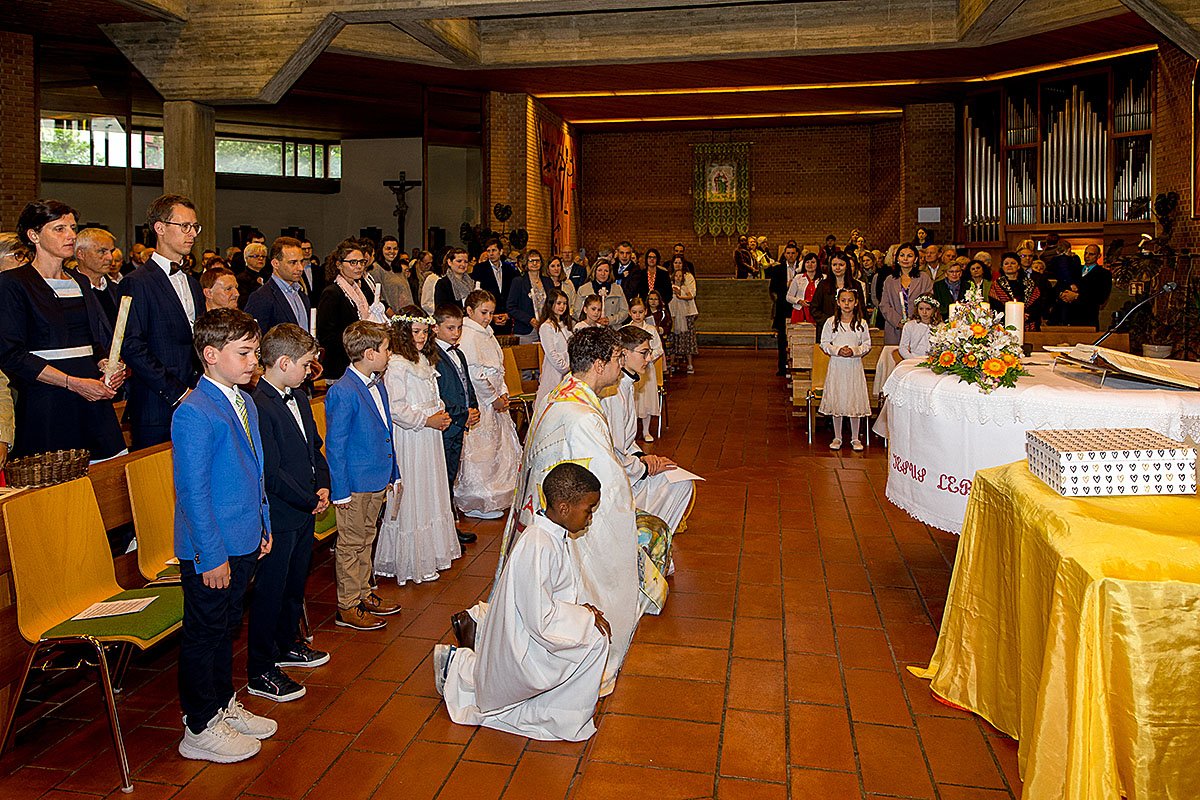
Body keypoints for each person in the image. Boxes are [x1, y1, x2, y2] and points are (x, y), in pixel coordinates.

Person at [493, 327, 653, 696]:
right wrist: (626, 512)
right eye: (617, 359)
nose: (621, 366)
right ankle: (577, 666)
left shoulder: (559, 394)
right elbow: (605, 485)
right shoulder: (582, 416)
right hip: (565, 518)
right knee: (578, 588)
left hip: (543, 507)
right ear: (599, 365)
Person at [435, 462, 610, 741]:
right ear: (564, 508)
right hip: (525, 642)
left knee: (592, 633)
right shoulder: (540, 544)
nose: (590, 517)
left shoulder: (551, 535)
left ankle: (559, 707)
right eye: (589, 510)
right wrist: (584, 619)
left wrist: (581, 612)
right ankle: (557, 713)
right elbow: (540, 619)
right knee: (595, 640)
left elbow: (548, 600)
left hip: (529, 631)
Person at [172, 308, 275, 763]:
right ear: (211, 355)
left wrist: (263, 523)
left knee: (227, 627)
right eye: (245, 353)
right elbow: (192, 493)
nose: (255, 361)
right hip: (211, 548)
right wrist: (210, 555)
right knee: (205, 632)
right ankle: (199, 724)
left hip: (244, 536)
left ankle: (221, 704)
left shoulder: (244, 400)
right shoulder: (194, 411)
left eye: (256, 352)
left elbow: (256, 470)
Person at [0, 202, 126, 463]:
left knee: (106, 478)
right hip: (47, 402)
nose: (70, 235)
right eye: (59, 229)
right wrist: (73, 383)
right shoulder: (13, 283)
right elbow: (12, 354)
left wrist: (107, 364)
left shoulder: (80, 281)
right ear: (34, 235)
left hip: (92, 399)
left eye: (72, 228)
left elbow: (92, 342)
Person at [247, 324, 331, 703]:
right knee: (271, 591)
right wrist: (307, 499)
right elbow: (271, 472)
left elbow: (314, 447)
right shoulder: (260, 405)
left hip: (304, 508)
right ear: (283, 363)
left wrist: (323, 484)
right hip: (281, 514)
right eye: (306, 364)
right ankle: (261, 667)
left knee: (295, 584)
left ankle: (286, 644)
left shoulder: (297, 395)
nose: (310, 371)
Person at [325, 321, 403, 631]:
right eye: (386, 349)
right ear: (370, 353)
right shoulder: (343, 391)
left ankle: (364, 592)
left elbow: (386, 432)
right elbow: (335, 445)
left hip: (376, 476)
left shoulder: (377, 384)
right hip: (354, 484)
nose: (389, 354)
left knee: (367, 538)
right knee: (351, 543)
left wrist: (394, 471)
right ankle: (347, 605)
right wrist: (340, 491)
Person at [375, 307, 460, 585]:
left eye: (424, 332)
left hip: (429, 435)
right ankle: (411, 561)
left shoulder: (423, 359)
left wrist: (440, 411)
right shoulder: (397, 364)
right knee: (414, 493)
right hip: (411, 437)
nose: (421, 337)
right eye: (415, 332)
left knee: (431, 489)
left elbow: (431, 395)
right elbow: (396, 408)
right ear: (403, 333)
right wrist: (426, 420)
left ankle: (432, 553)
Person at [121, 194, 206, 450]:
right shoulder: (137, 281)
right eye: (184, 226)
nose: (192, 234)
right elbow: (132, 346)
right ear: (160, 228)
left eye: (195, 227)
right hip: (156, 404)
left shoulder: (192, 282)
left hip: (197, 396)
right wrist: (177, 391)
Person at [603, 324, 694, 534]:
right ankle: (641, 536)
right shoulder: (613, 393)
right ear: (624, 354)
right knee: (677, 482)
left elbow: (627, 442)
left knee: (681, 481)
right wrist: (644, 466)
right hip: (618, 478)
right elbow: (615, 452)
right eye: (644, 353)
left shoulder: (627, 385)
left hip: (630, 467)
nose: (649, 358)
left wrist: (645, 457)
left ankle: (652, 536)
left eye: (649, 352)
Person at [454, 291, 521, 520]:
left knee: (496, 448)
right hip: (482, 402)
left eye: (491, 313)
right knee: (481, 451)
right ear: (469, 311)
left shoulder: (488, 334)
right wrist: (494, 398)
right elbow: (475, 375)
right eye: (483, 312)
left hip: (495, 400)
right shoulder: (468, 336)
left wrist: (503, 392)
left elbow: (498, 369)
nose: (488, 318)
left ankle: (496, 494)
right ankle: (476, 499)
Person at [432, 304, 480, 546]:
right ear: (436, 328)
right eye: (450, 328)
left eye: (459, 327)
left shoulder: (458, 354)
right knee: (441, 480)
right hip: (447, 425)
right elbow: (439, 395)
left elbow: (465, 384)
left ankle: (450, 529)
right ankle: (443, 533)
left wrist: (474, 407)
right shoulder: (432, 356)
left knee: (450, 477)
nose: (456, 333)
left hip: (459, 425)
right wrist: (462, 414)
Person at [316, 239, 383, 381]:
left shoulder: (359, 290)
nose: (359, 267)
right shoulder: (332, 292)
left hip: (357, 359)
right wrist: (356, 344)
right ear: (339, 264)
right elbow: (326, 335)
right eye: (353, 262)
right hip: (340, 363)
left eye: (362, 262)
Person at [819, 288, 872, 452]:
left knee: (854, 399)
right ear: (838, 302)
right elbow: (824, 343)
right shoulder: (831, 322)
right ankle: (837, 436)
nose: (847, 304)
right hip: (837, 366)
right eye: (843, 300)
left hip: (854, 366)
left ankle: (855, 437)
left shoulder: (861, 323)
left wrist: (854, 351)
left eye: (850, 300)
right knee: (838, 399)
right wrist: (838, 350)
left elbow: (867, 344)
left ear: (856, 303)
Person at [245, 237, 311, 334]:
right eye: (293, 262)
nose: (300, 268)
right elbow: (254, 337)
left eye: (301, 261)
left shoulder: (301, 294)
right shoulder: (261, 297)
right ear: (275, 263)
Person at [879, 243, 933, 345]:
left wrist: (914, 321)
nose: (905, 259)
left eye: (909, 256)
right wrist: (899, 322)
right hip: (895, 328)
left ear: (915, 259)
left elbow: (929, 302)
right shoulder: (889, 280)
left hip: (918, 326)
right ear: (897, 258)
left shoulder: (924, 278)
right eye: (902, 255)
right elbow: (884, 305)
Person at [627, 298, 664, 441]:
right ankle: (631, 430)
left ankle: (646, 430)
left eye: (640, 312)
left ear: (646, 312)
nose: (637, 315)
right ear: (629, 313)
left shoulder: (651, 329)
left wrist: (647, 358)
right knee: (631, 399)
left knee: (646, 399)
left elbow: (659, 349)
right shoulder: (626, 330)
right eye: (634, 312)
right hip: (631, 370)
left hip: (647, 369)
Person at [1053, 244, 1111, 328]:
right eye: (1085, 253)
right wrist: (1062, 294)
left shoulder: (1104, 274)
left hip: (1088, 319)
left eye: (1091, 254)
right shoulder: (1074, 269)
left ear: (1099, 256)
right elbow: (1058, 286)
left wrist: (1076, 296)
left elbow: (1100, 297)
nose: (1087, 256)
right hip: (1066, 318)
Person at [809, 251, 867, 334]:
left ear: (847, 266)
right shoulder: (823, 285)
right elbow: (814, 308)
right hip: (827, 329)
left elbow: (861, 309)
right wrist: (830, 322)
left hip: (851, 329)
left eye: (841, 265)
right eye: (834, 265)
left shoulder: (856, 285)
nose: (837, 268)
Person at [72, 227, 121, 325]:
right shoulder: (69, 291)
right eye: (102, 251)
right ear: (81, 254)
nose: (110, 258)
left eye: (111, 251)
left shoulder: (117, 290)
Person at [535, 290, 573, 410]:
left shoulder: (565, 324)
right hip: (555, 370)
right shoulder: (546, 326)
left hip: (569, 369)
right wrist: (565, 368)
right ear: (550, 304)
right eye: (558, 303)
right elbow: (551, 353)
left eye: (564, 303)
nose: (562, 306)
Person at [767, 244, 801, 376]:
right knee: (782, 339)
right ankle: (782, 367)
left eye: (793, 253)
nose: (790, 256)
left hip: (798, 307)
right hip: (783, 307)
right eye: (788, 253)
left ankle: (798, 367)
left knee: (798, 337)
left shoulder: (801, 269)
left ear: (797, 254)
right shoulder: (778, 269)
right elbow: (772, 289)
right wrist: (786, 286)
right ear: (785, 254)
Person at [988, 251, 1043, 331]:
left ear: (1018, 266)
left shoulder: (1030, 284)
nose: (1009, 265)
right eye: (1006, 264)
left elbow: (1036, 304)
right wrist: (1013, 316)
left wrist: (1024, 315)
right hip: (1005, 324)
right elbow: (995, 306)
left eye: (1013, 263)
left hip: (1029, 323)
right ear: (1002, 267)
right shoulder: (996, 285)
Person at [472, 238, 517, 335]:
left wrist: (508, 314)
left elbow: (514, 294)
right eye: (488, 251)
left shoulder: (510, 269)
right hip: (488, 317)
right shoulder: (480, 269)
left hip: (506, 316)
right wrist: (492, 316)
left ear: (501, 251)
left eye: (494, 250)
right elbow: (478, 294)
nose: (491, 254)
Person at [508, 249, 554, 344]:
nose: (535, 263)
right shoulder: (518, 282)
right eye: (531, 260)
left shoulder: (548, 281)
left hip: (546, 327)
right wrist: (530, 320)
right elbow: (511, 307)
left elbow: (552, 303)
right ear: (526, 263)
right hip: (526, 330)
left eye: (537, 260)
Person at [574, 260, 629, 328]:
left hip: (613, 328)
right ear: (594, 271)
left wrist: (609, 320)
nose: (603, 274)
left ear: (610, 273)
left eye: (606, 271)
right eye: (599, 270)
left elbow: (625, 311)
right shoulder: (583, 289)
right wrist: (592, 320)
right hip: (589, 328)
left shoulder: (617, 289)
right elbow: (577, 312)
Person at [668, 257, 698, 374]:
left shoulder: (687, 282)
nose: (677, 265)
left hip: (686, 315)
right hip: (674, 315)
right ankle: (672, 364)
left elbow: (691, 295)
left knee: (687, 339)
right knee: (674, 340)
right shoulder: (669, 286)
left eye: (680, 263)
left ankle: (690, 364)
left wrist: (681, 295)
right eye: (675, 262)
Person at [434, 247, 475, 311]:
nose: (463, 264)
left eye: (466, 262)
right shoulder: (443, 284)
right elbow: (441, 309)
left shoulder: (471, 282)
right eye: (459, 261)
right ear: (449, 262)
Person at [899, 294, 939, 360]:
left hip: (933, 361)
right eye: (921, 309)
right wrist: (912, 359)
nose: (924, 312)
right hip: (913, 360)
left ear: (934, 310)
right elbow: (903, 348)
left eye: (928, 309)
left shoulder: (940, 327)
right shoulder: (910, 326)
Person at [785, 252, 822, 324]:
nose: (810, 264)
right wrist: (799, 301)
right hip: (800, 312)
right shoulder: (798, 278)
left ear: (817, 264)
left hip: (818, 312)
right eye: (807, 262)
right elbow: (788, 297)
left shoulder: (824, 278)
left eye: (813, 262)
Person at [236, 243, 270, 308]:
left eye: (263, 256)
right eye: (256, 256)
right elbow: (244, 302)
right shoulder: (241, 279)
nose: (260, 258)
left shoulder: (268, 277)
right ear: (246, 258)